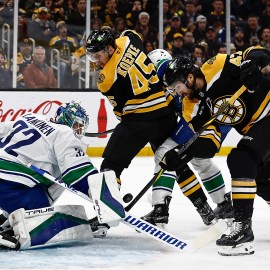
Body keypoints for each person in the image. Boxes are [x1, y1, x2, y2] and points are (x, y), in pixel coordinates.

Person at [159, 47, 270, 256]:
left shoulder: (218, 66)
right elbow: (209, 145)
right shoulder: (190, 107)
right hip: (258, 128)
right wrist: (184, 154)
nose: (177, 92)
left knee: (241, 158)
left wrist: (251, 65)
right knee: (262, 179)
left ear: (189, 77)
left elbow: (260, 53)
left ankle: (243, 227)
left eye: (177, 86)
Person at [0, 101, 116, 249]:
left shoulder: (30, 117)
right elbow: (78, 174)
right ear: (66, 119)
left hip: (9, 181)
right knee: (46, 214)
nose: (79, 130)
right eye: (77, 125)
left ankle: (6, 217)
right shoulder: (65, 133)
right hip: (13, 189)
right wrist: (105, 197)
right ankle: (23, 220)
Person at [141, 49, 233, 228]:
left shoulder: (162, 71)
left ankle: (160, 209)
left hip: (201, 118)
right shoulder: (178, 71)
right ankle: (224, 205)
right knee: (200, 160)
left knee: (164, 153)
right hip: (218, 120)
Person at [86, 29, 176, 199]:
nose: (96, 62)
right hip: (165, 115)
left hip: (139, 121)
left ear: (110, 50)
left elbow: (120, 111)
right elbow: (132, 34)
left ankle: (108, 206)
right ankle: (197, 206)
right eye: (92, 57)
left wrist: (126, 126)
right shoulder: (129, 40)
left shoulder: (106, 79)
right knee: (170, 160)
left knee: (111, 164)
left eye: (98, 56)